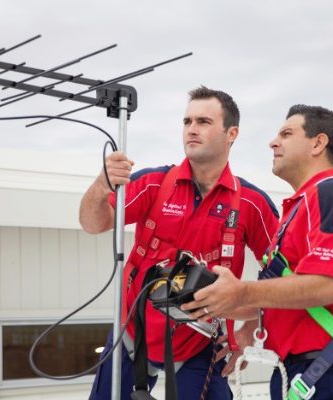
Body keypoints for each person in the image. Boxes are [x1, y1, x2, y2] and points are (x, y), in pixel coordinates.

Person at [79, 86, 279, 399]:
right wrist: (101, 183)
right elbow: (93, 223)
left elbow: (284, 276)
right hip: (133, 332)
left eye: (203, 121)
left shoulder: (251, 203)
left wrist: (249, 329)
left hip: (201, 343)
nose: (192, 129)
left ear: (232, 133)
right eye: (187, 122)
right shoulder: (154, 183)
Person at [182, 105, 333, 399]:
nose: (273, 142)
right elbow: (293, 294)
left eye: (287, 134)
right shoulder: (297, 210)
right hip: (305, 373)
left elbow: (332, 284)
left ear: (318, 143)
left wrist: (242, 293)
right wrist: (219, 305)